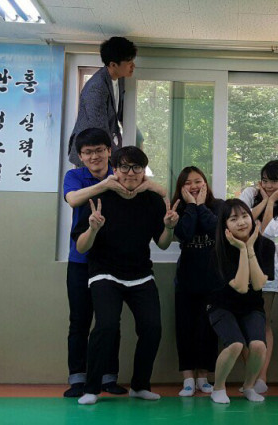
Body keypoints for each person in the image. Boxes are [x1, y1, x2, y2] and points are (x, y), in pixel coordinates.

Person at [62, 128, 163, 398]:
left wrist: (139, 184)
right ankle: (79, 379)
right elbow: (73, 199)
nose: (94, 156)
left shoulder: (124, 170)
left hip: (119, 264)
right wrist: (107, 184)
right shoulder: (76, 177)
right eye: (87, 152)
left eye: (99, 150)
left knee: (110, 322)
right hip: (82, 259)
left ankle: (109, 378)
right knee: (81, 321)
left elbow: (160, 190)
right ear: (81, 156)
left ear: (109, 151)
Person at [207, 200, 274, 404]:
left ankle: (248, 387)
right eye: (233, 219)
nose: (242, 222)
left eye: (245, 216)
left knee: (258, 346)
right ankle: (218, 388)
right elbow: (242, 286)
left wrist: (249, 247)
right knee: (236, 344)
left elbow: (259, 283)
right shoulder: (218, 250)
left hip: (251, 307)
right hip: (221, 306)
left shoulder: (266, 246)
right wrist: (243, 250)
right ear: (225, 226)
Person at [238, 160, 278, 393]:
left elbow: (267, 230)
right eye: (265, 180)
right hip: (240, 265)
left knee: (264, 321)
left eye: (274, 181)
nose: (269, 185)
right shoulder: (249, 194)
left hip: (266, 266)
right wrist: (265, 201)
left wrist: (271, 202)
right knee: (241, 320)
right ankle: (250, 376)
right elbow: (240, 221)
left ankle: (262, 377)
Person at [171, 166, 223, 397]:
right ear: (181, 188)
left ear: (205, 183)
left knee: (208, 329)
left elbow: (216, 230)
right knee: (185, 328)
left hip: (213, 279)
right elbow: (185, 233)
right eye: (187, 183)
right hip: (186, 279)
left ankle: (203, 377)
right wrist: (191, 206)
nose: (193, 186)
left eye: (198, 181)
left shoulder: (218, 206)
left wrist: (201, 206)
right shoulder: (178, 208)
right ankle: (188, 379)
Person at [68, 37, 137, 166]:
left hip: (104, 147)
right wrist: (119, 158)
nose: (133, 66)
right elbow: (99, 129)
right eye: (129, 62)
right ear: (113, 65)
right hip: (90, 152)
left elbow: (118, 114)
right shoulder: (96, 88)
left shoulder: (120, 79)